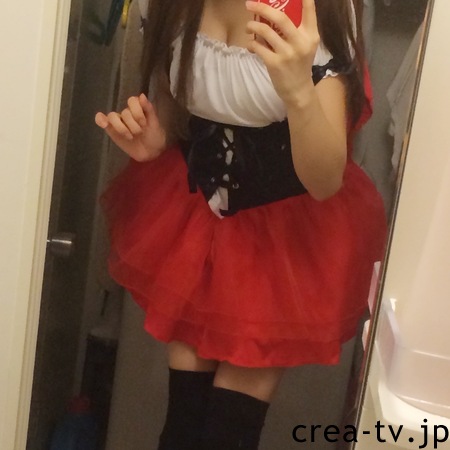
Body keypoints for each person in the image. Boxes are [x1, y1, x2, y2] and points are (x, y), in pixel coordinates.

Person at [95, 0, 387, 448]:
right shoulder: (168, 5)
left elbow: (325, 181)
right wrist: (159, 138)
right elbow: (179, 97)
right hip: (198, 224)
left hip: (284, 241)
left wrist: (298, 91)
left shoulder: (322, 10)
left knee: (227, 435)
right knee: (181, 427)